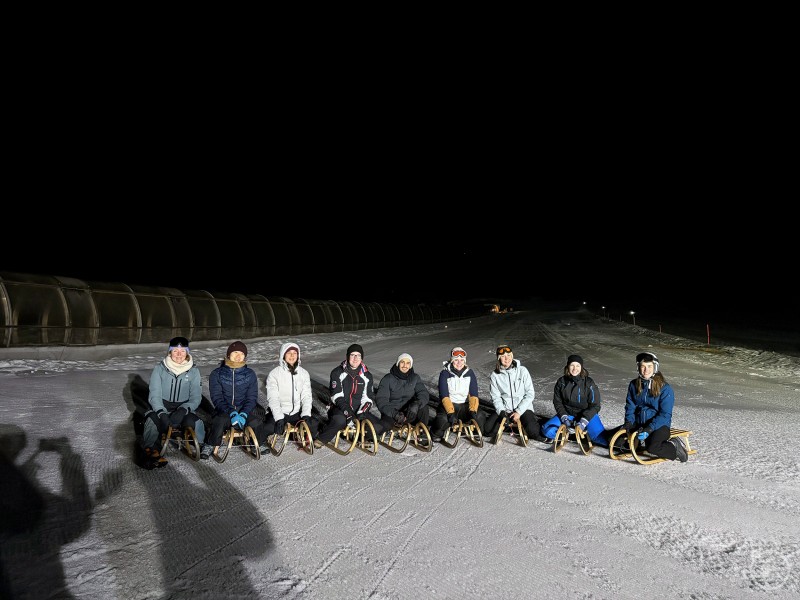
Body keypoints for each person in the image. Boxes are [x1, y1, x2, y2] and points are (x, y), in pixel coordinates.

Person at [141, 336, 205, 467]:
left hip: (183, 407)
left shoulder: (193, 371)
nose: (179, 354)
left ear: (187, 352)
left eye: (182, 351)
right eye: (175, 351)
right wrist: (161, 412)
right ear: (170, 352)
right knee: (152, 420)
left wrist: (184, 409)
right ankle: (151, 451)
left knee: (195, 422)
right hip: (163, 406)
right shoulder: (160, 369)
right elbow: (155, 394)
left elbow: (196, 397)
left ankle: (202, 445)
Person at [622, 351, 688, 462]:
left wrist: (650, 428)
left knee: (653, 447)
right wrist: (629, 422)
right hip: (639, 423)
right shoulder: (634, 385)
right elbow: (630, 406)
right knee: (619, 443)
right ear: (638, 368)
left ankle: (674, 446)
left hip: (658, 425)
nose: (646, 370)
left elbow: (665, 414)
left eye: (649, 366)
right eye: (642, 366)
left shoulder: (665, 388)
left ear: (655, 367)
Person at [316, 343, 385, 447]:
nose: (355, 358)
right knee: (340, 421)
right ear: (348, 356)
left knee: (378, 427)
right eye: (352, 355)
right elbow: (337, 396)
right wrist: (348, 413)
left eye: (358, 355)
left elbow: (368, 398)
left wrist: (361, 413)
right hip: (340, 408)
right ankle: (322, 438)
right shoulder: (337, 372)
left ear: (362, 358)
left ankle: (360, 437)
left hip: (358, 409)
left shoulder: (367, 375)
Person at [204, 341, 265, 459]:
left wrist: (243, 413)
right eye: (235, 352)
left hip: (244, 410)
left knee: (256, 422)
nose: (238, 356)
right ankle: (210, 444)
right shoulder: (217, 374)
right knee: (219, 420)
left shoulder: (250, 374)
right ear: (228, 355)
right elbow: (217, 398)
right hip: (225, 410)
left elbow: (251, 398)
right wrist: (231, 412)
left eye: (241, 353)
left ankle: (257, 443)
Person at [540, 354, 611, 446]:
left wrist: (583, 421)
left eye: (578, 366)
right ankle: (571, 435)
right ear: (568, 367)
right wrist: (564, 418)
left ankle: (585, 432)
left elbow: (595, 405)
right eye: (572, 365)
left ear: (581, 368)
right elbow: (558, 402)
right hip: (568, 414)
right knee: (547, 430)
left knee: (600, 439)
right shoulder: (561, 382)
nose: (575, 368)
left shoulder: (589, 383)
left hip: (586, 416)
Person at [483, 344, 544, 442]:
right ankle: (508, 424)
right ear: (499, 359)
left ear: (512, 356)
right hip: (505, 409)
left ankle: (532, 422)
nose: (506, 359)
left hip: (523, 408)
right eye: (502, 356)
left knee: (533, 432)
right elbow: (496, 397)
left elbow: (530, 394)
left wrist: (519, 412)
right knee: (488, 430)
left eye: (508, 355)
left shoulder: (522, 371)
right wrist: (502, 412)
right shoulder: (495, 375)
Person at [264, 342, 317, 440]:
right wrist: (279, 418)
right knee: (267, 428)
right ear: (283, 355)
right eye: (289, 353)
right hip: (280, 412)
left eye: (295, 353)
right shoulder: (274, 374)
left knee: (313, 424)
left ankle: (302, 439)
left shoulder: (304, 373)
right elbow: (273, 398)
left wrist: (305, 414)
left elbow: (306, 396)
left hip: (296, 413)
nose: (292, 356)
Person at [430, 347, 485, 441]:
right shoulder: (445, 373)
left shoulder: (470, 373)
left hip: (464, 405)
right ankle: (435, 433)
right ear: (452, 361)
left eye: (461, 360)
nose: (459, 363)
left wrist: (473, 410)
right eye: (456, 360)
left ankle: (476, 432)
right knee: (443, 420)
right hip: (449, 405)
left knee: (479, 415)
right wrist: (450, 413)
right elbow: (444, 395)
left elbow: (473, 394)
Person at [375, 353, 430, 433]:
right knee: (383, 427)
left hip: (408, 413)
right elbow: (381, 400)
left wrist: (416, 404)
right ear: (398, 363)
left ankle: (422, 434)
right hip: (392, 414)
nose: (405, 365)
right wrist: (394, 414)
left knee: (424, 408)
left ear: (410, 365)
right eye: (402, 362)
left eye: (408, 363)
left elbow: (423, 393)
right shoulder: (388, 379)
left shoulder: (415, 378)